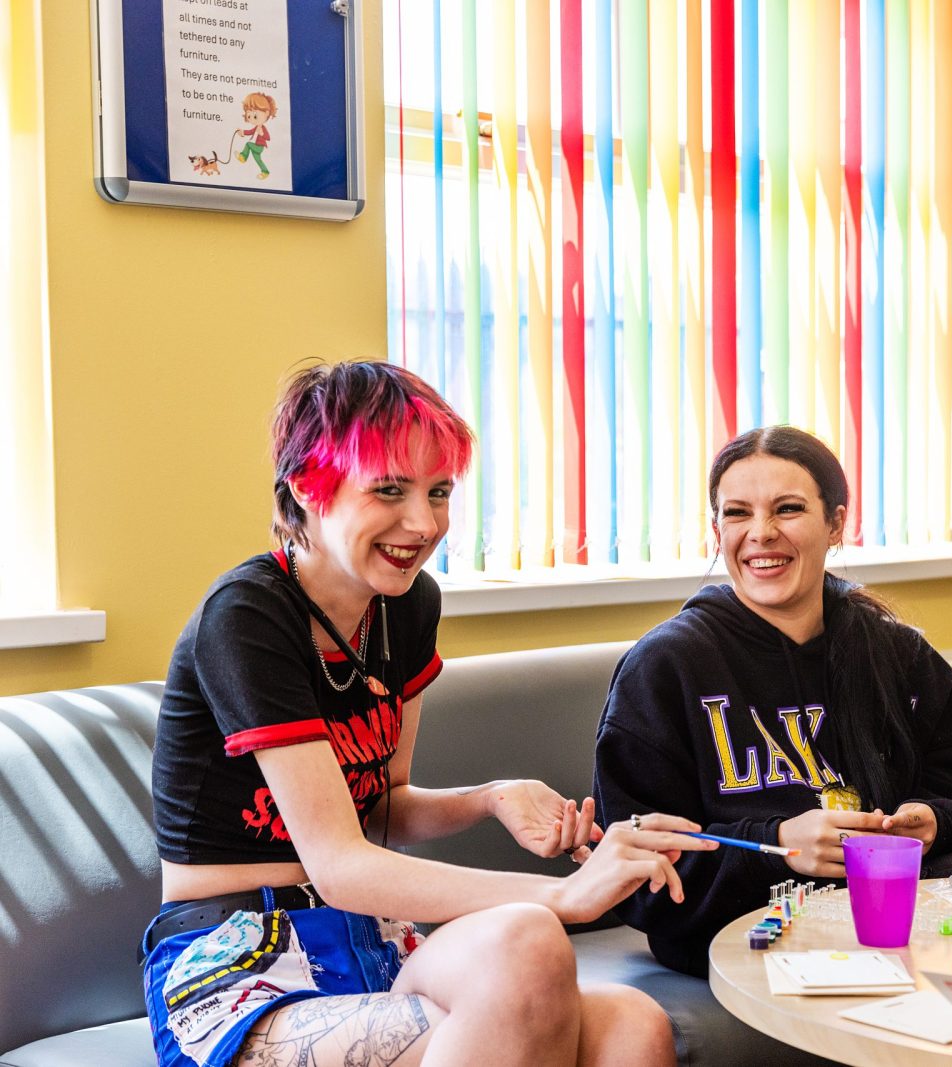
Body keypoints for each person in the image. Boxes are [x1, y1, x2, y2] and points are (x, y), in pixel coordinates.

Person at [143, 360, 714, 1067]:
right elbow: (342, 862)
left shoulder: (407, 604)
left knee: (633, 1022)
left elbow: (381, 806)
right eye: (389, 489)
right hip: (242, 956)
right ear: (306, 488)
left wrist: (491, 797)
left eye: (438, 491)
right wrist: (568, 893)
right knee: (528, 936)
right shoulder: (248, 616)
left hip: (367, 936)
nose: (424, 523)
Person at [593, 425, 952, 977]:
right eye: (737, 514)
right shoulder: (664, 666)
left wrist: (931, 823)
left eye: (787, 509)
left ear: (836, 523)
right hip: (746, 921)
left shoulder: (901, 655)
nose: (761, 533)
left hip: (889, 910)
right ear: (716, 530)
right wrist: (777, 844)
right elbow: (638, 870)